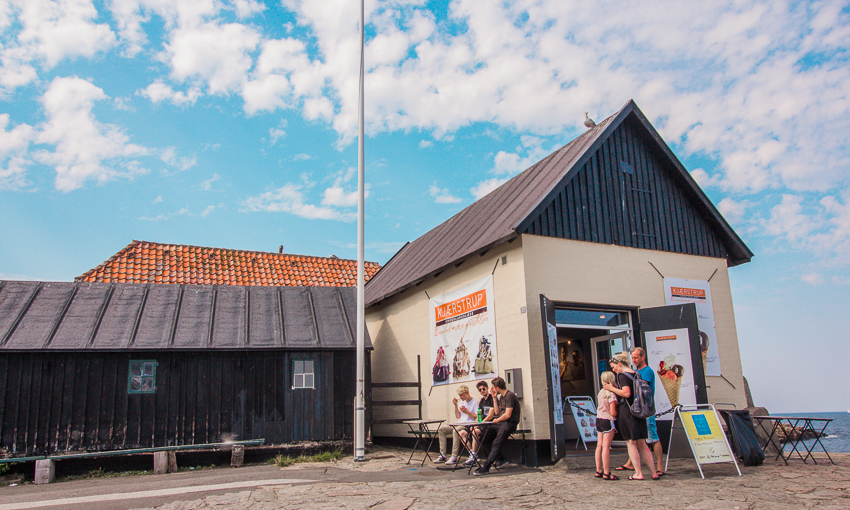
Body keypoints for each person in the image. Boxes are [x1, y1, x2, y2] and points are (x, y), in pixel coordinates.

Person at [603, 352, 659, 480]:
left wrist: (611, 389)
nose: (613, 370)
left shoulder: (622, 375)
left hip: (628, 412)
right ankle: (653, 472)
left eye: (614, 367)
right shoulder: (636, 373)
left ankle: (638, 473)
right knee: (642, 443)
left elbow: (626, 393)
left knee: (631, 443)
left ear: (619, 364)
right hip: (639, 411)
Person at [617, 347, 664, 477]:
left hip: (645, 408)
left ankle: (659, 466)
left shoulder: (647, 371)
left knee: (652, 437)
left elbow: (639, 387)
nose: (634, 360)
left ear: (643, 357)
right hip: (636, 408)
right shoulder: (635, 372)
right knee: (636, 438)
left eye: (636, 357)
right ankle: (630, 463)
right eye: (633, 358)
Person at [473, 376, 520, 475]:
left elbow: (507, 415)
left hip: (510, 422)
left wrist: (496, 420)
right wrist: (494, 398)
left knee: (496, 443)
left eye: (493, 388)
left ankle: (487, 466)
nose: (492, 390)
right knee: (483, 439)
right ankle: (500, 459)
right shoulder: (501, 397)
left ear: (497, 388)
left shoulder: (510, 396)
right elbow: (498, 412)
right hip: (501, 422)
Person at [435, 385, 478, 465]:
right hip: (460, 423)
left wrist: (467, 412)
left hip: (468, 424)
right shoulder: (462, 402)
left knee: (456, 431)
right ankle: (443, 455)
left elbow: (477, 417)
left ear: (467, 393)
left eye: (461, 395)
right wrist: (455, 405)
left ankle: (454, 456)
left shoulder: (474, 402)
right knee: (442, 429)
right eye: (459, 395)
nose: (460, 397)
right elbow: (458, 416)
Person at [594, 371, 619, 481]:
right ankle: (607, 472)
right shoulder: (611, 395)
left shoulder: (600, 392)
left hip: (599, 419)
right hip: (608, 420)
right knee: (606, 447)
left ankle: (598, 469)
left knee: (599, 446)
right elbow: (613, 413)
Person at [464, 380, 495, 466]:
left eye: (483, 389)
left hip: (489, 424)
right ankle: (471, 454)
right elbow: (479, 415)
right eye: (480, 390)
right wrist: (474, 424)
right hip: (482, 423)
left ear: (487, 388)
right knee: (463, 433)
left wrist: (479, 424)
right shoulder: (482, 401)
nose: (482, 391)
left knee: (475, 432)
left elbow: (490, 416)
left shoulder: (492, 399)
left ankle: (474, 456)